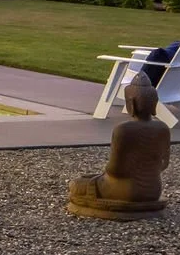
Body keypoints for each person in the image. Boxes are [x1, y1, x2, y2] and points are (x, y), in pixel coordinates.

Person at [69, 79, 171, 218]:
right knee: (90, 178)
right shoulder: (163, 128)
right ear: (154, 103)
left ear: (131, 103)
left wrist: (103, 176)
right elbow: (164, 164)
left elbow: (116, 170)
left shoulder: (124, 130)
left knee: (77, 185)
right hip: (153, 190)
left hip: (126, 190)